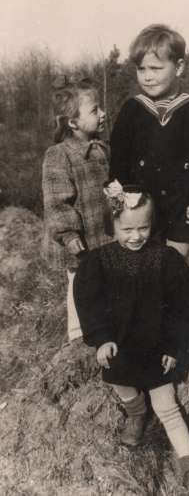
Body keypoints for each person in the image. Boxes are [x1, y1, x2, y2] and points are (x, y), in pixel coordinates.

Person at [73, 182, 189, 494]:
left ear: (153, 225)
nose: (136, 237)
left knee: (168, 407)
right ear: (112, 227)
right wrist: (101, 339)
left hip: (156, 348)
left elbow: (181, 306)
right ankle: (135, 411)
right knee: (118, 378)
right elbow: (89, 304)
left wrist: (174, 345)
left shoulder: (166, 260)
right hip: (119, 344)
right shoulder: (98, 263)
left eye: (144, 228)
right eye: (127, 229)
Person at [109, 24, 189, 258]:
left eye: (156, 68)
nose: (148, 76)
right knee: (137, 268)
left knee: (174, 270)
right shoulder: (132, 109)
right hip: (137, 206)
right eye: (141, 69)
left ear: (178, 67)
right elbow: (118, 156)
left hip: (182, 206)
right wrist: (117, 195)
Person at [42, 74, 111, 343]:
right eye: (95, 110)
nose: (103, 113)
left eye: (101, 107)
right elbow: (56, 200)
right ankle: (78, 333)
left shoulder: (102, 147)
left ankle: (103, 328)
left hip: (101, 232)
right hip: (79, 238)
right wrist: (69, 234)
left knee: (101, 281)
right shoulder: (60, 154)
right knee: (78, 282)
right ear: (73, 122)